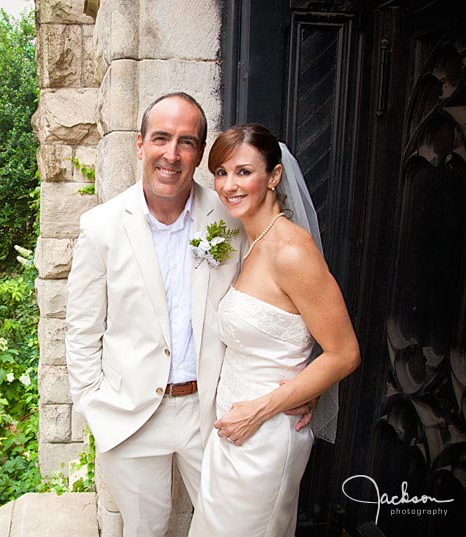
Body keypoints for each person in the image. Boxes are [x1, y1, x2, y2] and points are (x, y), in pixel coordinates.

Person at [66, 93, 310, 536]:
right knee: (146, 530)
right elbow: (82, 329)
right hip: (130, 418)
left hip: (213, 412)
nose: (171, 154)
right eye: (161, 138)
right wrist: (93, 406)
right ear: (140, 145)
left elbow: (280, 302)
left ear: (199, 154)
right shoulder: (100, 228)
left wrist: (297, 384)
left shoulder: (232, 215)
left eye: (187, 142)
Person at [189, 124, 360, 537]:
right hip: (232, 429)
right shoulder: (250, 242)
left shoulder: (291, 251)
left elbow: (344, 352)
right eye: (222, 173)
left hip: (263, 438)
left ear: (275, 176)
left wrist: (263, 408)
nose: (229, 185)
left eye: (244, 172)